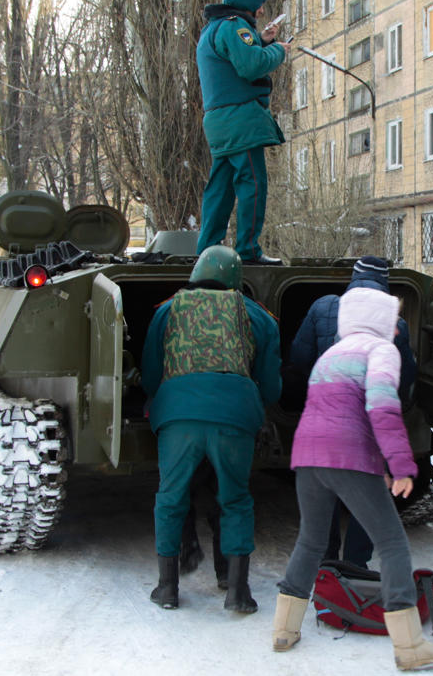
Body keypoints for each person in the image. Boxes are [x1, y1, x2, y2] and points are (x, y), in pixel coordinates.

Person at [271, 287, 433, 671]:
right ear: (378, 322)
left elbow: (335, 411)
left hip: (308, 455)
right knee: (391, 542)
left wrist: (384, 462)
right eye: (393, 320)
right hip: (347, 457)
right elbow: (382, 407)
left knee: (310, 540)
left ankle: (283, 630)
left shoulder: (332, 354)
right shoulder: (381, 351)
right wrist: (403, 465)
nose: (396, 329)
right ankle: (409, 646)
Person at [141, 245, 281, 613]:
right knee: (235, 500)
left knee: (170, 499)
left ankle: (167, 588)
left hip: (178, 414)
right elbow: (270, 386)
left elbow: (152, 374)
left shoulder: (167, 310)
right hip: (235, 416)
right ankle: (238, 592)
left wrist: (166, 403)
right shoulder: (257, 316)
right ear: (237, 278)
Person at [288, 256, 417, 568]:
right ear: (385, 284)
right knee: (370, 493)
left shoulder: (323, 307)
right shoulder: (395, 325)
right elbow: (407, 376)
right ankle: (357, 566)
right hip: (370, 424)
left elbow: (298, 357)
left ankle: (327, 564)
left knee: (325, 492)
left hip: (322, 419)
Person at [195, 0, 292, 266]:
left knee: (220, 187)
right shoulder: (234, 26)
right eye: (259, 5)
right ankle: (248, 251)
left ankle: (207, 251)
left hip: (218, 121)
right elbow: (250, 66)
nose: (261, 11)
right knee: (252, 181)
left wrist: (260, 41)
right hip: (240, 119)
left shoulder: (212, 29)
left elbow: (234, 58)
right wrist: (277, 50)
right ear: (248, 2)